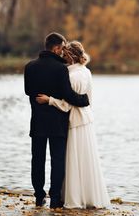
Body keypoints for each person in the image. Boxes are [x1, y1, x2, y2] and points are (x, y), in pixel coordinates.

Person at [36, 41, 110, 209]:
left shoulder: (69, 74)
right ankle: (89, 195)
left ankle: (74, 197)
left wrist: (49, 100)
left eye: (64, 54)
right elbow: (88, 99)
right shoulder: (87, 72)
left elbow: (67, 104)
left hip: (75, 121)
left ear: (69, 55)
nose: (61, 57)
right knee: (87, 160)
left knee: (73, 160)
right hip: (87, 120)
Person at [24, 33, 90, 209]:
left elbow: (28, 91)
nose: (63, 51)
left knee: (37, 159)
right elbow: (68, 96)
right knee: (57, 160)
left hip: (37, 120)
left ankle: (39, 196)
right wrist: (85, 100)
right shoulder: (62, 69)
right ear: (55, 48)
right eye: (62, 47)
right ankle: (54, 199)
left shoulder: (29, 67)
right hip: (57, 123)